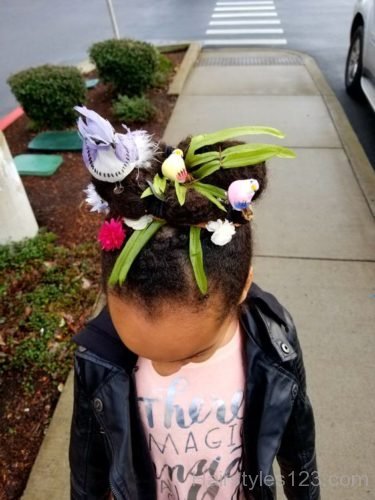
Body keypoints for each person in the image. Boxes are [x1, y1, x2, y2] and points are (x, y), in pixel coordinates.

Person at [69, 107, 320, 500]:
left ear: (243, 287)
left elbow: (299, 450)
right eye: (139, 351)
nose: (166, 370)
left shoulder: (277, 343)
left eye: (194, 353)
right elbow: (88, 469)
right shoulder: (97, 359)